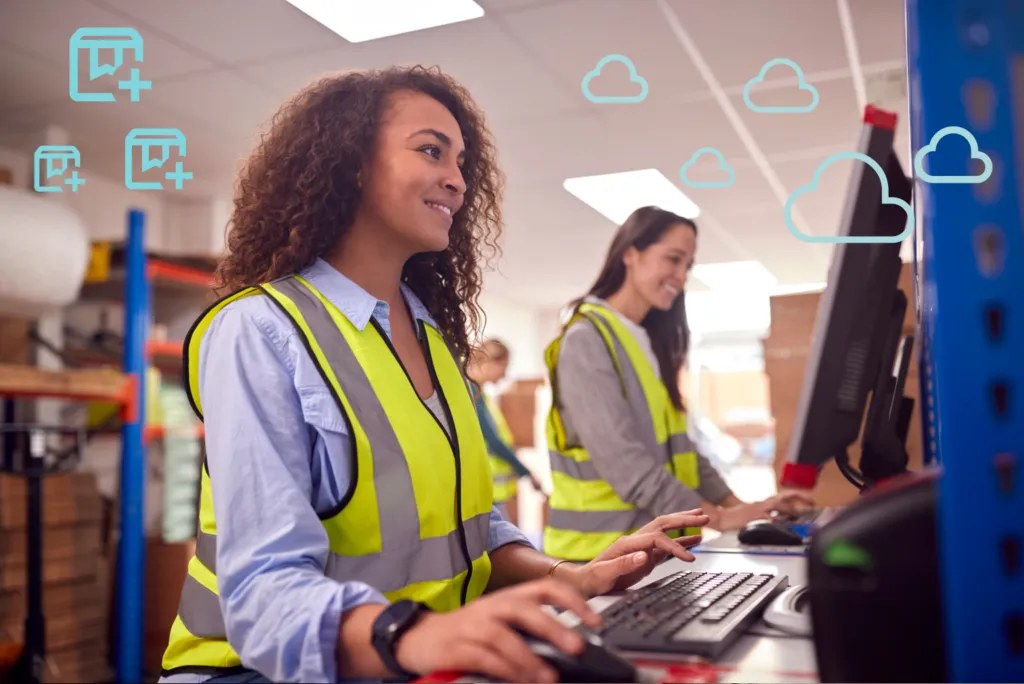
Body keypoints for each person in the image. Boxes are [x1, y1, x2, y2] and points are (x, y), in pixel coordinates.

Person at [158, 67, 711, 684]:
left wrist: (568, 576)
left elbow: (465, 526)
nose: (457, 179)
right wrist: (415, 636)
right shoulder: (260, 330)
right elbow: (264, 596)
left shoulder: (432, 341)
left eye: (462, 161)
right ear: (353, 165)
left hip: (404, 664)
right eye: (430, 150)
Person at [543, 206, 812, 562]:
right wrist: (719, 518)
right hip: (598, 557)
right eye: (673, 259)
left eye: (688, 266)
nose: (682, 276)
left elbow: (681, 450)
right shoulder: (586, 339)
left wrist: (745, 509)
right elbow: (626, 464)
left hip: (653, 551)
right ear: (631, 254)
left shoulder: (644, 341)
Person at [465, 338, 544, 526]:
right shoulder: (472, 392)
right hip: (486, 489)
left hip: (490, 490)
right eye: (504, 366)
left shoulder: (480, 394)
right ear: (490, 362)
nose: (505, 374)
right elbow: (493, 440)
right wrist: (526, 471)